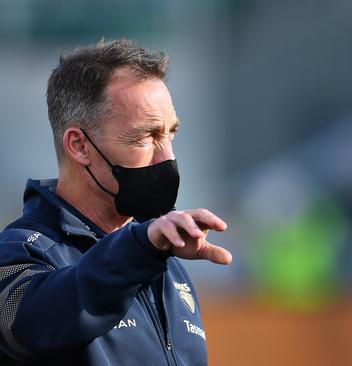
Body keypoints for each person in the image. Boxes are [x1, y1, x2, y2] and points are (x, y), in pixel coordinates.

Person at [0, 39, 232, 365]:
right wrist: (140, 250)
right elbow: (33, 323)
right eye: (146, 137)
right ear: (79, 145)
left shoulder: (165, 263)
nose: (168, 157)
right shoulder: (19, 252)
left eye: (170, 134)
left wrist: (145, 250)